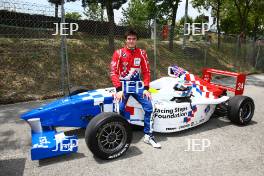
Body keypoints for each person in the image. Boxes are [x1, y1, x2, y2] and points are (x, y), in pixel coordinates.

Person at [110, 29, 161, 148]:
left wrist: (146, 88)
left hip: (138, 86)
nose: (131, 41)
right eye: (129, 39)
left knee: (150, 107)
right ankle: (121, 135)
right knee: (119, 109)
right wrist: (118, 89)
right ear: (125, 40)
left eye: (133, 39)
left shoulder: (142, 53)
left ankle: (148, 135)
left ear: (136, 40)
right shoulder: (118, 53)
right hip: (123, 86)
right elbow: (113, 73)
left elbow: (146, 72)